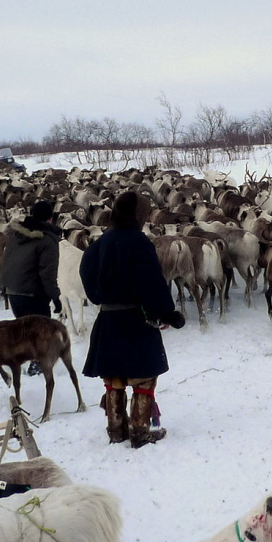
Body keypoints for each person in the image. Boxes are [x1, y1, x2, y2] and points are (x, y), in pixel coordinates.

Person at [80, 191, 185, 448]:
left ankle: (116, 429)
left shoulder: (100, 243)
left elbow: (86, 271)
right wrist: (165, 312)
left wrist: (101, 296)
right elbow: (150, 282)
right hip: (135, 321)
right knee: (143, 377)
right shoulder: (139, 243)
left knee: (114, 378)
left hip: (108, 320)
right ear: (137, 215)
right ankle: (140, 431)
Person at [0, 200, 62, 319]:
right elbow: (48, 273)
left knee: (24, 329)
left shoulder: (16, 234)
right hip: (33, 296)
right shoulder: (47, 240)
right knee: (40, 330)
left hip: (13, 292)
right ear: (50, 219)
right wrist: (55, 297)